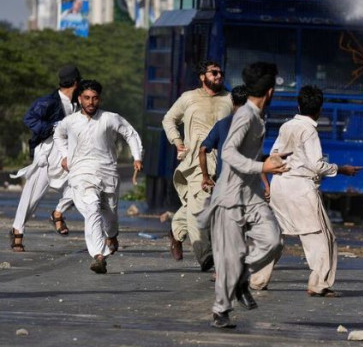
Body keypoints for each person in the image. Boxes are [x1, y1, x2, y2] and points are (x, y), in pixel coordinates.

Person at [197, 62, 286, 329]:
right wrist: (262, 166)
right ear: (270, 92)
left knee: (273, 241)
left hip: (252, 195)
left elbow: (249, 155)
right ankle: (221, 311)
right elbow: (227, 153)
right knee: (230, 256)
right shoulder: (245, 116)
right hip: (229, 197)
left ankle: (242, 276)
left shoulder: (258, 117)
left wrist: (271, 162)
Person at [252, 85, 363, 296]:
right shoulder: (309, 130)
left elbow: (273, 157)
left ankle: (257, 280)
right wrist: (342, 169)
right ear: (320, 109)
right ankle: (318, 284)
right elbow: (317, 165)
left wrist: (267, 184)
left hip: (280, 185)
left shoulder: (287, 126)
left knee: (276, 237)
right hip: (301, 189)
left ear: (298, 105)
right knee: (322, 238)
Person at [54, 80, 143, 274]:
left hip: (107, 173)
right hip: (81, 173)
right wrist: (64, 155)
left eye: (94, 98)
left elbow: (130, 134)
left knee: (109, 216)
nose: (90, 102)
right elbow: (58, 135)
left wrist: (137, 156)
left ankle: (112, 235)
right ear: (80, 99)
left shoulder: (110, 118)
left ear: (99, 99)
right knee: (92, 208)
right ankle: (99, 255)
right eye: (86, 98)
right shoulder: (70, 121)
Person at [162, 61, 233, 268]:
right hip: (196, 162)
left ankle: (176, 231)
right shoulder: (188, 98)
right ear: (203, 76)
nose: (218, 76)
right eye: (214, 73)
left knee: (203, 204)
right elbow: (168, 119)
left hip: (222, 162)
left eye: (221, 73)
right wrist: (177, 142)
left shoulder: (229, 100)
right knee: (200, 206)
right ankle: (205, 255)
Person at [9, 65, 80, 252]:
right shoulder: (49, 101)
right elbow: (29, 119)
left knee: (79, 186)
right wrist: (52, 127)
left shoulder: (78, 104)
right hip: (47, 154)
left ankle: (57, 214)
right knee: (31, 197)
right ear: (76, 82)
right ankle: (18, 231)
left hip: (67, 155)